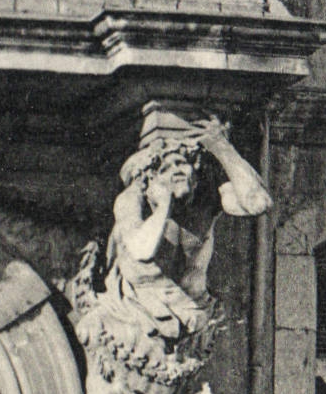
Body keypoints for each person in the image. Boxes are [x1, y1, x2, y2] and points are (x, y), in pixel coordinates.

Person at [104, 115, 271, 343]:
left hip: (196, 315)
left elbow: (259, 203)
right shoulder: (132, 199)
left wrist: (221, 147)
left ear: (194, 170)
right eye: (166, 168)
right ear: (151, 178)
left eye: (182, 163)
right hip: (142, 315)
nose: (176, 170)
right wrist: (163, 206)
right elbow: (140, 249)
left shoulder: (206, 199)